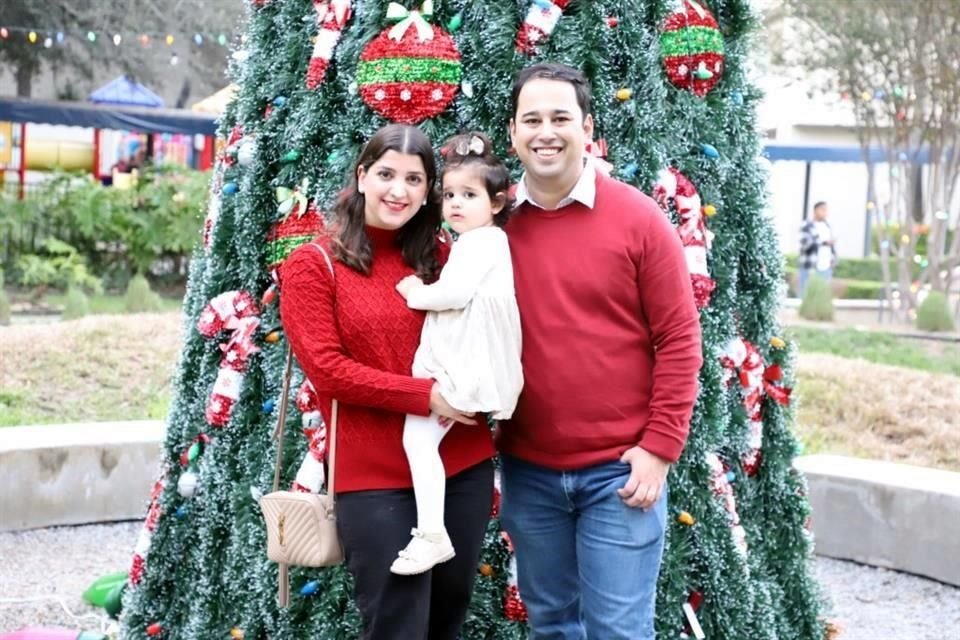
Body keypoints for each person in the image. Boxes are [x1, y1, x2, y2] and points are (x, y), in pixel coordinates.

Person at [497, 62, 704, 640]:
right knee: (553, 627)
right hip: (529, 472)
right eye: (531, 119)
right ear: (513, 132)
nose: (546, 131)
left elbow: (681, 339)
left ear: (587, 127)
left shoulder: (638, 219)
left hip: (620, 474)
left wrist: (660, 448)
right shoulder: (495, 228)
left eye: (561, 117)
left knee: (619, 631)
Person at [279, 123, 495, 640]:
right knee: (397, 623)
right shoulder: (313, 266)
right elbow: (328, 371)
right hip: (375, 476)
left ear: (429, 192)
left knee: (447, 618)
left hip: (461, 464)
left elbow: (486, 329)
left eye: (414, 179)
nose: (398, 190)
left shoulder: (445, 259)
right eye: (386, 174)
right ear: (361, 176)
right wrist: (426, 396)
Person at [393, 132, 523, 575]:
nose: (455, 204)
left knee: (418, 438)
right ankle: (431, 530)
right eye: (449, 194)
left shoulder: (484, 242)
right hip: (462, 358)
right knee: (422, 439)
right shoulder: (477, 243)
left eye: (469, 195)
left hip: (465, 364)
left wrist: (415, 291)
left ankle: (432, 533)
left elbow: (454, 293)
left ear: (498, 203)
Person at [797, 200, 837, 297]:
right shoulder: (807, 225)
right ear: (816, 210)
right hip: (810, 266)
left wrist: (834, 258)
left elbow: (831, 246)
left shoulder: (827, 226)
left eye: (826, 210)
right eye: (823, 210)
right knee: (805, 295)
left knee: (822, 296)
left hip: (826, 266)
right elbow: (805, 244)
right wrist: (824, 242)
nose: (825, 213)